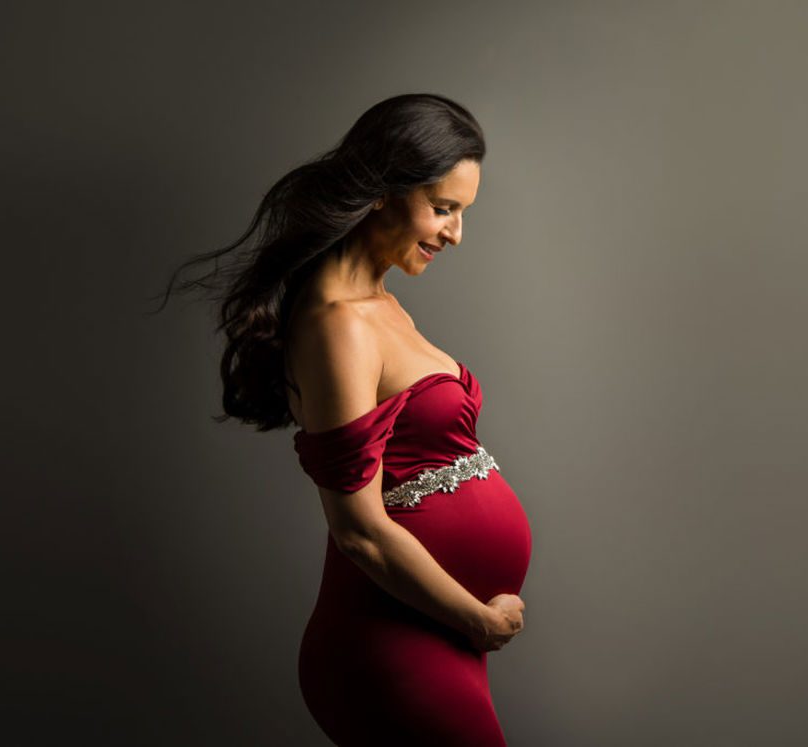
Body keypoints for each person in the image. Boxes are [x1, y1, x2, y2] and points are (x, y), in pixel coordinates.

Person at [153, 93, 532, 746]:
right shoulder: (338, 324)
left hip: (435, 634)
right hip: (389, 643)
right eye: (443, 209)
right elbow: (356, 527)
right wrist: (476, 618)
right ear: (385, 189)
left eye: (462, 213)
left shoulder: (378, 303)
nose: (454, 234)